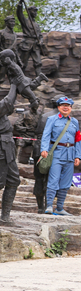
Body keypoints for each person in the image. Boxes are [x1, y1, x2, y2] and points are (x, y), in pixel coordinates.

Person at [40, 96, 81, 215]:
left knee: (66, 182)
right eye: (63, 105)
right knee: (53, 180)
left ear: (71, 108)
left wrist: (78, 155)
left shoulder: (74, 122)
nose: (65, 107)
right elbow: (46, 135)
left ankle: (59, 208)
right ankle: (49, 206)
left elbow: (78, 139)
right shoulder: (52, 119)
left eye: (68, 106)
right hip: (57, 153)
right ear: (58, 107)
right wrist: (44, 149)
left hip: (70, 154)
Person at [16, 0, 48, 76]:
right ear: (29, 12)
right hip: (27, 44)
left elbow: (40, 35)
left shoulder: (36, 25)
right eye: (34, 11)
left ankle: (39, 79)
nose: (35, 13)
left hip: (35, 45)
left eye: (36, 11)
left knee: (38, 63)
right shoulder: (25, 21)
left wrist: (41, 41)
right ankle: (20, 79)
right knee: (23, 63)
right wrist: (20, 3)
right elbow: (19, 14)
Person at [0, 84, 18, 224]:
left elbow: (9, 105)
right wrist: (14, 84)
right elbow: (7, 103)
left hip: (7, 149)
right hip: (1, 149)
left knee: (13, 180)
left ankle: (5, 217)